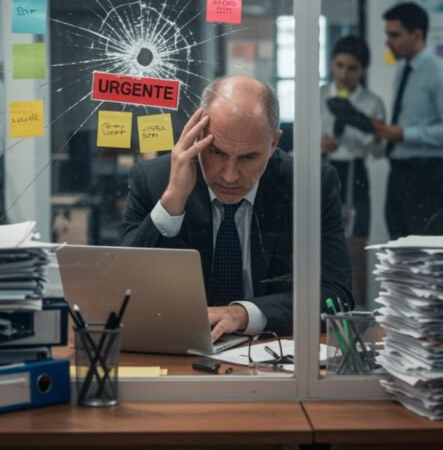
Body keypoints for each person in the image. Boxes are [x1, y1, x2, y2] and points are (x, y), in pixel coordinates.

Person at [123, 76, 353, 340]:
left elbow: (336, 296)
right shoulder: (154, 181)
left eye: (249, 157)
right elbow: (124, 296)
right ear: (198, 135)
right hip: (181, 351)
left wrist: (242, 314)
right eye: (217, 153)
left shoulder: (310, 186)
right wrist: (173, 201)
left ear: (274, 144)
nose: (230, 176)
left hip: (272, 353)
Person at [373, 2, 443, 238]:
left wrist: (404, 134)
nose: (388, 41)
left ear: (416, 35)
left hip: (426, 176)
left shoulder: (439, 74)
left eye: (394, 35)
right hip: (399, 173)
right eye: (387, 34)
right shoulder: (403, 70)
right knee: (399, 253)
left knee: (426, 258)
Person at [320, 36, 386, 308]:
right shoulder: (319, 96)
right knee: (320, 241)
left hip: (355, 174)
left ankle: (355, 310)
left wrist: (367, 135)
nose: (344, 74)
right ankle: (321, 310)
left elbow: (380, 152)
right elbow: (296, 141)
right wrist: (316, 143)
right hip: (322, 168)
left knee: (356, 246)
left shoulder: (372, 103)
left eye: (352, 68)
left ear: (363, 70)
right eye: (339, 65)